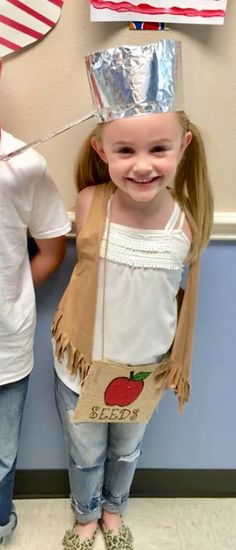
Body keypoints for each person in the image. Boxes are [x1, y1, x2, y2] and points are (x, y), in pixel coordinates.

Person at [52, 41, 214, 550]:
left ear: (182, 146)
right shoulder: (89, 203)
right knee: (84, 451)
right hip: (81, 367)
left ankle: (114, 511)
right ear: (103, 152)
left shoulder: (184, 223)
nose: (142, 165)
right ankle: (85, 515)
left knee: (126, 451)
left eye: (158, 149)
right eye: (125, 151)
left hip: (141, 370)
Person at [0, 57, 72, 546]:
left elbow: (52, 245)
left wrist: (16, 298)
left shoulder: (22, 165)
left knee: (2, 450)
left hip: (6, 343)